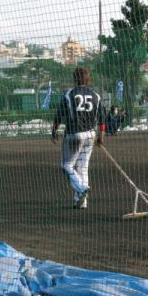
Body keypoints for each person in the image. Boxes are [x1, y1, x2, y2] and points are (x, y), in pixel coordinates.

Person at [51, 67, 106, 209]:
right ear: (88, 79)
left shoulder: (69, 95)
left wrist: (54, 131)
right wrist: (101, 137)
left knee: (66, 166)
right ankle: (81, 202)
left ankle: (81, 189)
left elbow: (59, 116)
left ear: (74, 79)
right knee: (83, 167)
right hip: (90, 135)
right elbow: (102, 119)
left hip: (74, 135)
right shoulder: (96, 96)